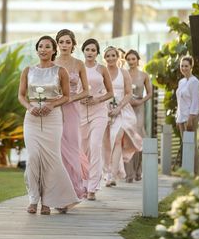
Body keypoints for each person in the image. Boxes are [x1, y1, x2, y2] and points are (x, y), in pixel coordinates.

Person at [18, 35, 80, 215]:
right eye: (40, 46)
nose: (43, 49)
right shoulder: (27, 70)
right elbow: (21, 95)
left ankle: (48, 202)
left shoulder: (61, 71)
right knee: (33, 158)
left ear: (54, 50)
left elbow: (67, 96)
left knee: (51, 160)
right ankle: (33, 199)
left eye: (47, 47)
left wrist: (52, 105)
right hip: (31, 119)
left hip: (52, 118)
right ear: (37, 50)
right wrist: (29, 107)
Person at [55, 29, 89, 198]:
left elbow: (86, 91)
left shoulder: (78, 64)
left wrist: (70, 98)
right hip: (54, 110)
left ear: (73, 44)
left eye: (68, 42)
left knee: (72, 147)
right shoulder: (52, 63)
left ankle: (75, 189)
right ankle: (60, 191)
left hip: (72, 110)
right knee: (57, 150)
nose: (64, 45)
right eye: (61, 42)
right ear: (57, 44)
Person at [103, 46, 142, 186]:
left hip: (122, 111)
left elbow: (128, 93)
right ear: (104, 57)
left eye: (113, 55)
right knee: (107, 142)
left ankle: (111, 175)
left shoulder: (123, 72)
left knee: (117, 139)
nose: (111, 58)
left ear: (117, 57)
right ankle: (108, 170)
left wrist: (119, 107)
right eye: (108, 56)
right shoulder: (102, 71)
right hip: (104, 110)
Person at [80, 38, 113, 200]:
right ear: (83, 51)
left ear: (97, 53)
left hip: (99, 112)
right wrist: (79, 98)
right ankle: (83, 185)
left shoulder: (102, 69)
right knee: (83, 149)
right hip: (80, 113)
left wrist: (97, 99)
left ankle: (92, 188)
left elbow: (110, 93)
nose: (90, 53)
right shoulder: (78, 67)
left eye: (93, 50)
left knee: (95, 146)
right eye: (87, 49)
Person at [124, 49, 152, 182]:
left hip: (139, 109)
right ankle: (129, 173)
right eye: (128, 59)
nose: (131, 62)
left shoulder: (144, 75)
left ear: (138, 60)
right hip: (127, 108)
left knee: (139, 138)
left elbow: (150, 93)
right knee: (128, 138)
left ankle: (138, 171)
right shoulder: (124, 74)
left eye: (133, 59)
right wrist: (127, 100)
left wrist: (141, 101)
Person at [176, 55, 199, 176]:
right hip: (181, 117)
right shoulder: (181, 81)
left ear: (191, 66)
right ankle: (187, 172)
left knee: (192, 145)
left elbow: (196, 101)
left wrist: (191, 118)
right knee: (186, 145)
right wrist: (178, 118)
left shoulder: (194, 82)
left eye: (186, 66)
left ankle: (195, 173)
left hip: (190, 117)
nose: (184, 68)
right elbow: (179, 101)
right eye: (182, 66)